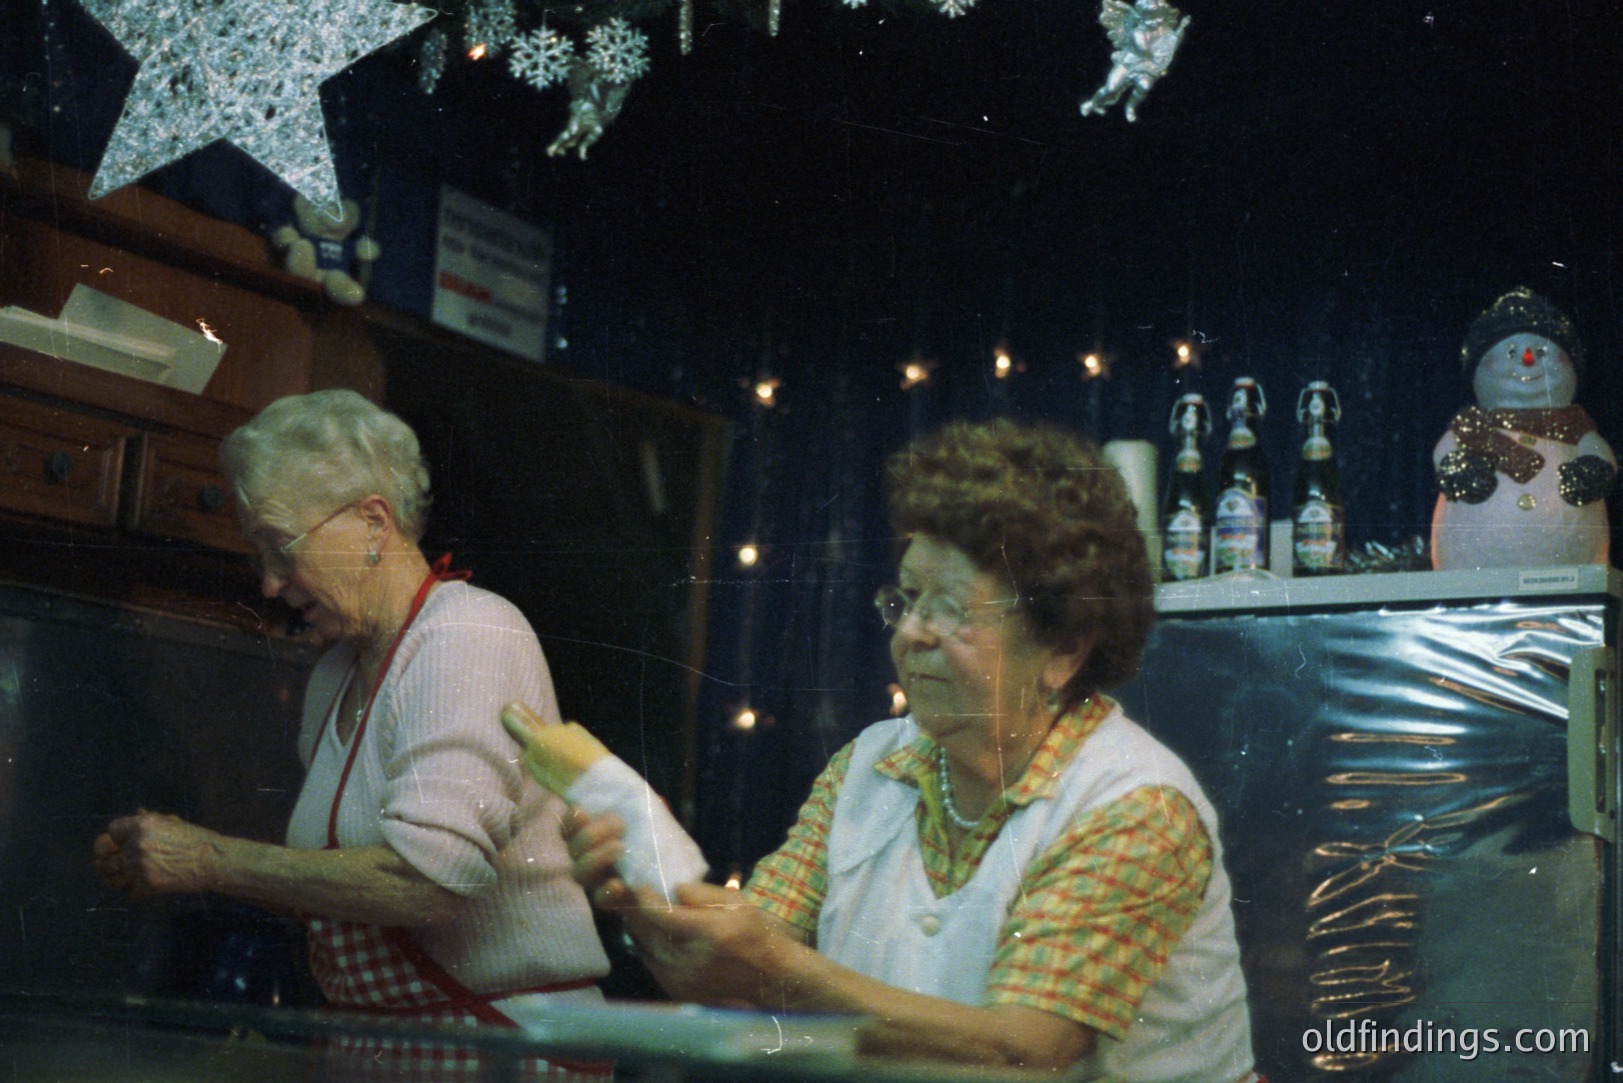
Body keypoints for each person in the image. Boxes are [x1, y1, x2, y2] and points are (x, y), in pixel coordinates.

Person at [568, 418, 1256, 1082]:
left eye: (951, 607)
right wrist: (649, 906)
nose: (911, 635)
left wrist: (775, 966)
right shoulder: (865, 766)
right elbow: (743, 966)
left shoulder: (1135, 807)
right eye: (906, 599)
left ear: (1063, 648)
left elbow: (1030, 1054)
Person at [93, 389, 609, 1079]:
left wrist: (208, 859)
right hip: (388, 1050)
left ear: (373, 521)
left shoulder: (465, 634)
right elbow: (337, 880)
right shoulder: (336, 672)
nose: (271, 583)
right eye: (258, 554)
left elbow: (426, 880)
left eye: (281, 547)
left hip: (499, 1051)